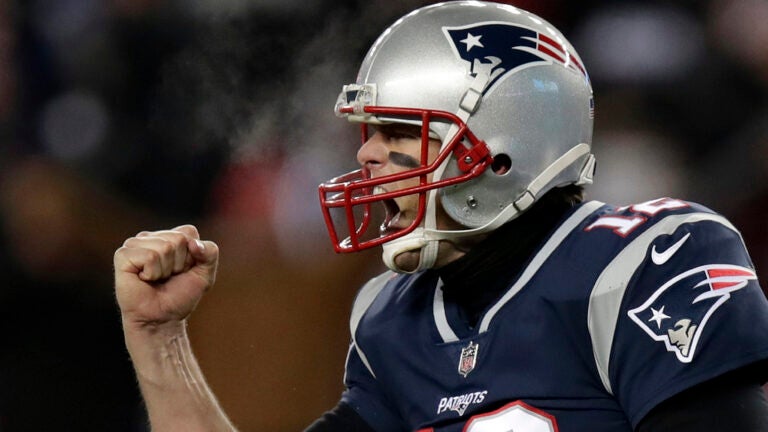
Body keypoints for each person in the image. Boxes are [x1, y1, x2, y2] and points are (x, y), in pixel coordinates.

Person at [113, 2, 768, 431]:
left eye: (398, 130)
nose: (366, 155)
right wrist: (160, 339)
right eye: (367, 132)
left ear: (507, 150)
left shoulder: (647, 264)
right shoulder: (395, 320)